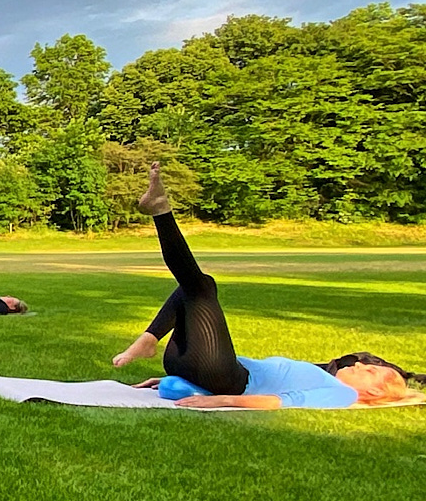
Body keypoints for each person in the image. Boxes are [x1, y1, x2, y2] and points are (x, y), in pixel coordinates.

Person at [111, 163, 425, 409]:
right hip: (206, 369)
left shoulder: (339, 395)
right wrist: (184, 381)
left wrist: (220, 400)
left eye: (371, 371)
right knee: (199, 286)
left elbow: (278, 402)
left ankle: (161, 211)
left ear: (372, 391)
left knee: (201, 288)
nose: (359, 363)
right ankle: (151, 340)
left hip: (226, 380)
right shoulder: (325, 376)